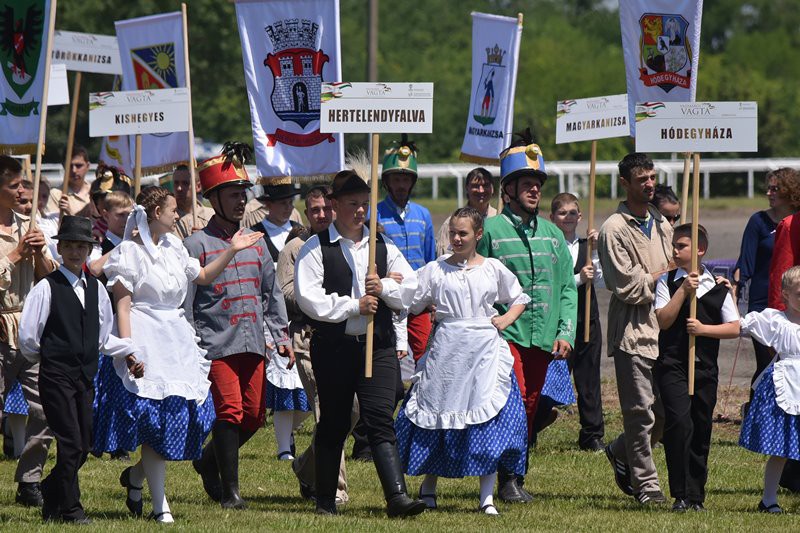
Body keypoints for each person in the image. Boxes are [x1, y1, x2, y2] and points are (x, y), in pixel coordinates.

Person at [93, 185, 264, 523]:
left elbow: (203, 276)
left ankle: (136, 477)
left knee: (178, 423)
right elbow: (123, 307)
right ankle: (161, 507)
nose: (178, 215)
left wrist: (232, 250)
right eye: (173, 210)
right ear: (157, 213)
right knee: (153, 423)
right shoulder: (129, 252)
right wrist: (129, 351)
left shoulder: (175, 246)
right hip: (145, 337)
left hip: (175, 339)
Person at [294, 169, 425, 517]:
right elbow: (310, 299)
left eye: (365, 204)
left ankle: (397, 497)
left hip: (377, 345)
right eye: (352, 204)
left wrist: (384, 287)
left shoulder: (382, 246)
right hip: (334, 347)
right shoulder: (316, 248)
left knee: (380, 417)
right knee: (334, 421)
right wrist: (355, 305)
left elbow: (410, 288)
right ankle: (325, 500)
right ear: (335, 205)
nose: (360, 211)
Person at [395, 207, 529, 515]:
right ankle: (428, 488)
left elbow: (519, 297)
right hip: (448, 350)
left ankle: (486, 498)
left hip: (484, 349)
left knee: (486, 419)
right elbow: (409, 301)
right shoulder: (435, 270)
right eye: (453, 233)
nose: (456, 238)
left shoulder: (492, 268)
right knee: (439, 415)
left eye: (463, 233)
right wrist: (392, 284)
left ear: (478, 235)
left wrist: (505, 319)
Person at [184, 143, 293, 510]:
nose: (240, 201)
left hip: (253, 343)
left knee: (253, 417)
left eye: (242, 194)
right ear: (213, 198)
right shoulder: (195, 244)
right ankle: (231, 492)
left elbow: (271, 294)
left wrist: (281, 336)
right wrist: (190, 343)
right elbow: (187, 301)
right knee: (229, 412)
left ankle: (207, 461)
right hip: (215, 344)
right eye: (232, 194)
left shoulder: (257, 244)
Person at [18, 216, 144, 524]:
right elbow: (29, 337)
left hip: (85, 377)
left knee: (84, 444)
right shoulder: (47, 287)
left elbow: (103, 337)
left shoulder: (96, 289)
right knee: (70, 443)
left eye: (81, 247)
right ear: (60, 248)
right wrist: (52, 357)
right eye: (70, 246)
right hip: (55, 375)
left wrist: (128, 351)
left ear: (89, 250)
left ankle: (51, 491)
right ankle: (72, 509)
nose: (75, 252)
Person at [475, 130, 577, 503]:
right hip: (505, 335)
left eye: (538, 184)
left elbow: (567, 288)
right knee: (514, 399)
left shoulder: (552, 234)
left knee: (531, 404)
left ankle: (516, 475)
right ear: (508, 189)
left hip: (544, 337)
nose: (535, 190)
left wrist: (566, 331)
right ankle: (504, 478)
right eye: (527, 184)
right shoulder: (490, 231)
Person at [598, 152, 674, 505]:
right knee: (640, 412)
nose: (649, 184)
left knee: (662, 415)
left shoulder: (661, 222)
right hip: (632, 330)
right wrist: (663, 276)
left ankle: (619, 450)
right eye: (642, 179)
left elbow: (674, 267)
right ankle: (647, 486)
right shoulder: (613, 229)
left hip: (664, 326)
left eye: (652, 177)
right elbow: (627, 286)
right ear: (625, 183)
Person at [279, 185, 358, 505]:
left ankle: (307, 466)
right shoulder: (296, 249)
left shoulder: (351, 243)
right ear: (306, 214)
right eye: (315, 210)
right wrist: (320, 294)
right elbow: (286, 293)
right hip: (309, 338)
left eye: (327, 208)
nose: (322, 215)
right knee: (328, 410)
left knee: (352, 411)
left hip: (348, 337)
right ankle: (334, 488)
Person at [653, 224, 739, 512]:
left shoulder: (718, 287)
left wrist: (703, 329)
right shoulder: (666, 281)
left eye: (682, 246)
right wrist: (683, 292)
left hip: (704, 369)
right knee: (679, 424)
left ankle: (696, 496)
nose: (675, 251)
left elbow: (734, 327)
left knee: (701, 428)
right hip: (673, 365)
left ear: (700, 250)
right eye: (674, 245)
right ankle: (679, 494)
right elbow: (663, 320)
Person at [0, 155, 58, 507]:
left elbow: (49, 279)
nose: (22, 191)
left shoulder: (30, 225)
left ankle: (29, 480)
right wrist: (15, 255)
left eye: (23, 184)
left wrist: (36, 255)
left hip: (31, 328)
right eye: (14, 185)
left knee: (45, 409)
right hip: (0, 325)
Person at [738, 265, 800, 513]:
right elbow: (740, 325)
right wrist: (728, 298)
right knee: (782, 449)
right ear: (785, 294)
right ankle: (768, 499)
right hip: (788, 385)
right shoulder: (776, 321)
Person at [738, 169, 800, 404]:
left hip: (793, 302)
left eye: (775, 189)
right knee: (768, 365)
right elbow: (748, 266)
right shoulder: (767, 222)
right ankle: (757, 412)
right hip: (768, 302)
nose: (769, 193)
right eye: (769, 188)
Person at [549, 192, 605, 451]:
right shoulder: (549, 247)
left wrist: (598, 250)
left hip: (587, 320)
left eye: (573, 213)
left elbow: (601, 280)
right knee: (551, 377)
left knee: (589, 379)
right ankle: (534, 425)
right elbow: (554, 284)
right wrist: (579, 278)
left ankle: (592, 434)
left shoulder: (588, 247)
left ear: (580, 216)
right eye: (562, 213)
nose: (568, 217)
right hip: (558, 323)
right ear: (552, 217)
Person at [376, 135, 436, 362]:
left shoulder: (423, 215)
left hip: (420, 298)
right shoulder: (374, 213)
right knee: (388, 356)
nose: (401, 185)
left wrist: (433, 296)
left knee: (426, 355)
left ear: (412, 182)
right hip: (389, 298)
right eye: (396, 179)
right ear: (387, 182)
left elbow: (431, 258)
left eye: (406, 179)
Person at [435, 167, 497, 257]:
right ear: (467, 188)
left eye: (485, 185)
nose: (481, 190)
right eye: (475, 186)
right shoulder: (451, 224)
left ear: (492, 188)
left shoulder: (500, 220)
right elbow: (443, 257)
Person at [46, 146, 95, 218]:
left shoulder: (95, 192)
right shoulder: (55, 194)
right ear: (64, 166)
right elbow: (53, 223)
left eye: (78, 166)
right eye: (69, 166)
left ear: (87, 166)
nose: (74, 170)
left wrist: (70, 212)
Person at [172, 164, 214, 239]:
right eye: (176, 183)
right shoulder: (168, 219)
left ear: (198, 186)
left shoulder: (212, 216)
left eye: (185, 183)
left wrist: (206, 237)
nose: (179, 188)